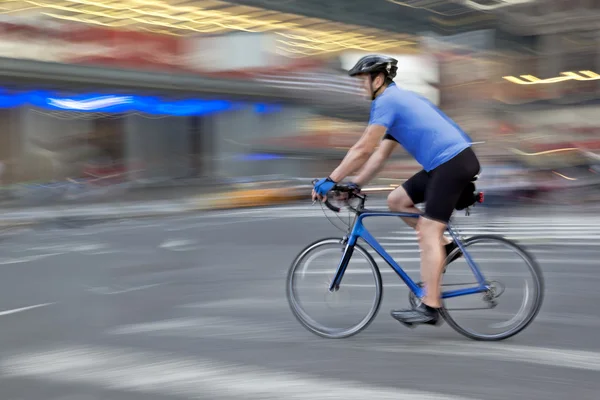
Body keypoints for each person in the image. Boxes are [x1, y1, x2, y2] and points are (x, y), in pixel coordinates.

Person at [312, 54, 481, 327]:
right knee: (397, 200)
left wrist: (330, 179)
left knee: (429, 230)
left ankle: (430, 306)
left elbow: (363, 148)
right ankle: (446, 248)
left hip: (452, 163)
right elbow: (378, 156)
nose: (360, 87)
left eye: (362, 81)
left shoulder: (387, 102)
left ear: (378, 80)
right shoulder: (399, 101)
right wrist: (355, 184)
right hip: (446, 164)